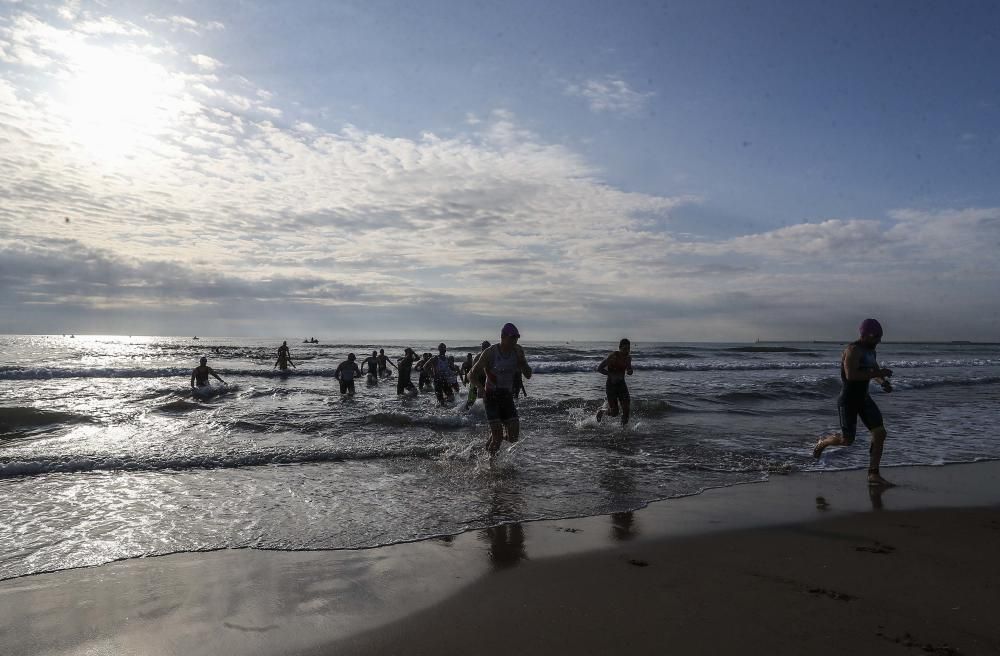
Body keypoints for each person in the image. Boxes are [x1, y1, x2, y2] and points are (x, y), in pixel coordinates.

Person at [812, 319, 895, 486]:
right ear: (864, 335)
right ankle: (824, 442)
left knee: (880, 433)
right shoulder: (853, 350)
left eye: (880, 336)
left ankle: (873, 473)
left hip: (864, 399)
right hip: (848, 400)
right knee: (847, 441)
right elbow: (852, 376)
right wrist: (878, 373)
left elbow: (873, 371)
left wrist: (882, 382)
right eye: (876, 336)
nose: (879, 340)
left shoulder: (871, 351)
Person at [467, 323, 532, 454]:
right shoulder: (490, 353)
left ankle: (492, 439)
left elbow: (528, 375)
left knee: (513, 438)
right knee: (498, 438)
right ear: (502, 337)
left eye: (516, 338)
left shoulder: (518, 351)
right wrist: (480, 387)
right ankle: (491, 465)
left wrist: (523, 362)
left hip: (507, 396)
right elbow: (471, 374)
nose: (514, 340)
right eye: (512, 337)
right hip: (491, 396)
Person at [596, 338, 634, 426]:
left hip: (622, 385)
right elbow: (599, 368)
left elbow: (629, 369)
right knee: (614, 413)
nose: (627, 351)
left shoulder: (628, 358)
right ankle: (602, 411)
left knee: (626, 410)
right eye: (624, 349)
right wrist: (610, 374)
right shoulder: (613, 356)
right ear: (620, 348)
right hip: (611, 386)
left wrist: (630, 371)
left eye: (628, 348)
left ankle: (623, 431)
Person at [464, 340, 491, 410]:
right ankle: (466, 412)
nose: (483, 349)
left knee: (486, 399)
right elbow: (472, 373)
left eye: (485, 347)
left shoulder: (492, 357)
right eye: (483, 347)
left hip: (487, 379)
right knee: (472, 399)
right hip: (477, 379)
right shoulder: (477, 358)